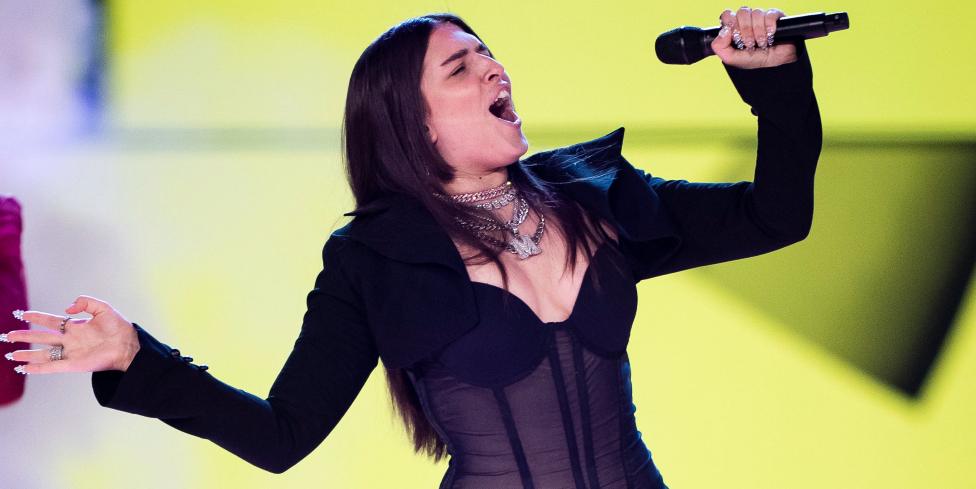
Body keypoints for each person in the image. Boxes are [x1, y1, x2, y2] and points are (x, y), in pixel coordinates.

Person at [1, 7, 821, 488]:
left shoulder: (595, 201)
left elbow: (774, 218)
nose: (494, 68)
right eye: (462, 68)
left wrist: (776, 78)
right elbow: (282, 435)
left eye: (489, 54)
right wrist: (135, 358)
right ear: (414, 123)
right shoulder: (375, 259)